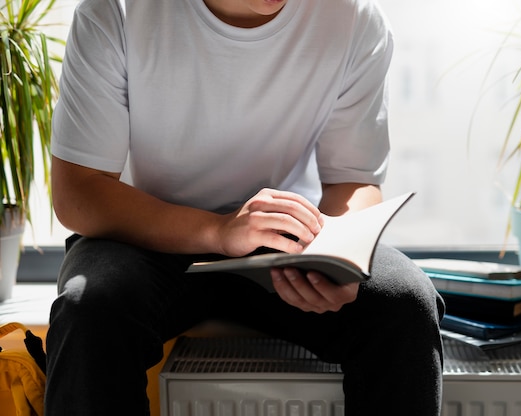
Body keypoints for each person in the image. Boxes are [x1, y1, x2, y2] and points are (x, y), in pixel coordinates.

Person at [44, 0, 445, 414]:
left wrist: (341, 254)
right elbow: (79, 192)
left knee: (404, 302)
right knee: (88, 310)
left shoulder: (354, 18)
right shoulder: (116, 10)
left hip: (287, 240)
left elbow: (353, 179)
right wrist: (218, 231)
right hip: (144, 235)